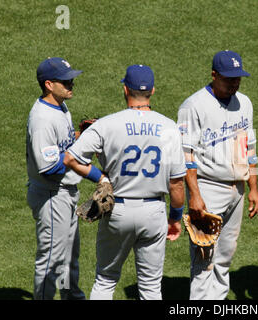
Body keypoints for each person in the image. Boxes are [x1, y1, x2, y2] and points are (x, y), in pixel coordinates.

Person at [63, 64, 186, 300]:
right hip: (154, 212)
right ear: (152, 90)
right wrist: (175, 219)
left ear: (125, 89)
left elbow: (71, 158)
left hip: (117, 210)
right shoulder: (170, 127)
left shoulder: (107, 124)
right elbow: (177, 184)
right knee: (151, 288)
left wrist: (99, 177)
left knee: (106, 280)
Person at [177, 50, 258, 300]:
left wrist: (253, 187)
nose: (234, 83)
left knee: (224, 258)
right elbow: (186, 155)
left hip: (238, 190)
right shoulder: (193, 105)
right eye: (228, 79)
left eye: (238, 78)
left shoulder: (244, 102)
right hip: (208, 188)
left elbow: (251, 147)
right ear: (214, 75)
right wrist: (195, 195)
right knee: (205, 259)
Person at [26, 57, 85, 300]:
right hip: (52, 196)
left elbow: (61, 144)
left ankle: (72, 297)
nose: (71, 83)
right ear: (49, 84)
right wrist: (78, 161)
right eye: (65, 80)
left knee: (69, 256)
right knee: (51, 259)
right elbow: (48, 167)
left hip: (66, 193)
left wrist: (82, 135)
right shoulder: (42, 119)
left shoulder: (60, 106)